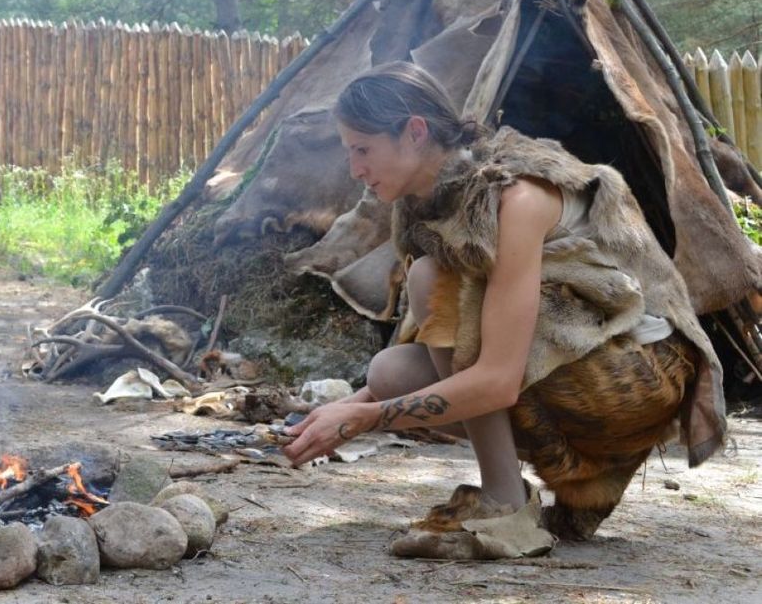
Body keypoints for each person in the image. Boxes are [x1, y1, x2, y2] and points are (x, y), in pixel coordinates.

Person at [282, 62, 726, 559]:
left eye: (362, 149)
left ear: (415, 132)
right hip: (578, 361)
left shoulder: (516, 197)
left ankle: (505, 505)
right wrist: (346, 410)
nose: (354, 170)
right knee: (390, 373)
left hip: (637, 382)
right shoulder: (429, 201)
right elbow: (443, 339)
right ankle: (553, 494)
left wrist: (362, 419)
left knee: (432, 279)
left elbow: (497, 380)